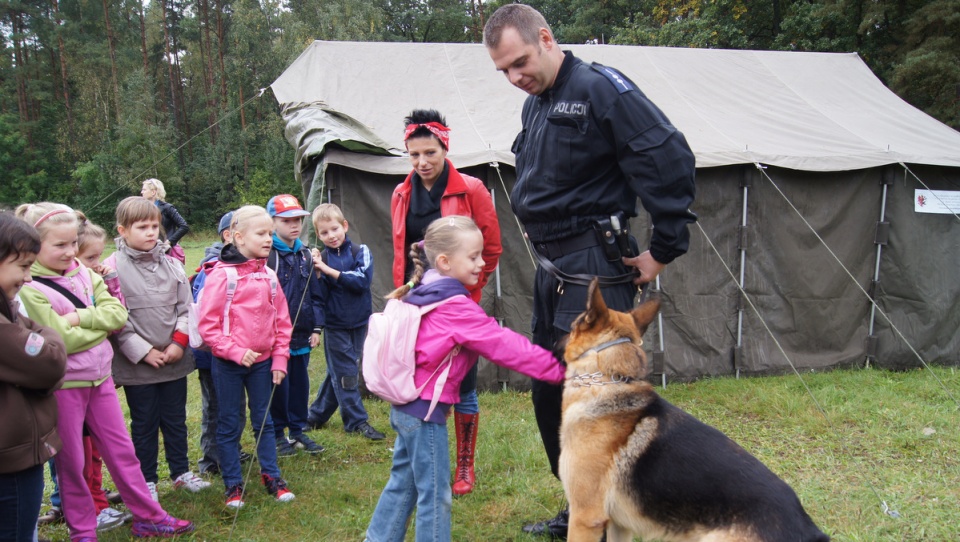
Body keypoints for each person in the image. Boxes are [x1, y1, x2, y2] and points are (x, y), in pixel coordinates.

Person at [483, 5, 698, 538]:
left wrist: (663, 250)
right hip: (553, 268)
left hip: (594, 268)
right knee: (548, 387)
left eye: (521, 62)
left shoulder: (602, 88)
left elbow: (668, 158)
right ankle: (581, 504)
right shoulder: (539, 103)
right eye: (504, 71)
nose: (515, 78)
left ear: (547, 38)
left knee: (600, 399)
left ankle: (615, 510)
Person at [364, 216, 565, 542]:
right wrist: (559, 370)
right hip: (424, 414)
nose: (481, 263)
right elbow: (504, 346)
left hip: (405, 408)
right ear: (444, 261)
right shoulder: (455, 307)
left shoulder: (424, 288)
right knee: (434, 492)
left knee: (405, 481)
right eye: (472, 257)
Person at [16, 202, 194, 539]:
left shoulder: (84, 273)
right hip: (65, 386)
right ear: (33, 246)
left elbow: (118, 314)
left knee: (122, 451)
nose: (71, 252)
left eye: (73, 243)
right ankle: (83, 531)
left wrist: (80, 318)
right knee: (72, 463)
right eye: (61, 245)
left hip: (102, 379)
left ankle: (148, 516)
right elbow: (59, 341)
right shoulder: (30, 288)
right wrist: (96, 326)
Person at [391, 109, 502, 494]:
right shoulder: (401, 193)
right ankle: (422, 457)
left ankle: (465, 464)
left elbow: (491, 248)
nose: (422, 162)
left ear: (445, 148)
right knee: (421, 381)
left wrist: (468, 294)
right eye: (414, 154)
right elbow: (401, 251)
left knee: (463, 385)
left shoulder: (471, 189)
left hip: (457, 305)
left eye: (430, 153)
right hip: (417, 302)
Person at [103, 197, 209, 502]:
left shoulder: (172, 263)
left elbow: (185, 308)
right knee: (145, 422)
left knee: (175, 418)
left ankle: (180, 472)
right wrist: (143, 351)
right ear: (123, 230)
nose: (151, 232)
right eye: (142, 227)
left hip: (174, 359)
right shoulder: (112, 268)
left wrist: (178, 343)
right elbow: (117, 317)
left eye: (154, 226)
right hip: (139, 365)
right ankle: (146, 479)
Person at [197, 205, 295, 508]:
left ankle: (271, 475)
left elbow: (282, 321)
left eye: (270, 232)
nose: (269, 238)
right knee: (229, 422)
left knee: (263, 421)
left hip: (263, 364)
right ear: (238, 237)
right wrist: (235, 352)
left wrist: (279, 359)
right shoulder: (221, 276)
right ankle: (233, 484)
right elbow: (207, 326)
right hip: (228, 364)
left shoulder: (268, 275)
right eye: (261, 233)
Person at [0, 212, 67, 542]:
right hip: (10, 464)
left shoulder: (7, 308)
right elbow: (50, 362)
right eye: (23, 266)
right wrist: (47, 334)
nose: (28, 278)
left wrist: (33, 332)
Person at [305, 203, 385, 441]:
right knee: (347, 374)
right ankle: (356, 422)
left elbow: (361, 280)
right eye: (324, 233)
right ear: (318, 235)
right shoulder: (321, 258)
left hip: (360, 323)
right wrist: (318, 272)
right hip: (336, 325)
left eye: (334, 229)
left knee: (338, 372)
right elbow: (318, 294)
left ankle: (315, 416)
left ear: (344, 226)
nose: (331, 236)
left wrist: (328, 270)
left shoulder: (361, 251)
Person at [75, 215, 132, 531]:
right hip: (74, 379)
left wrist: (109, 283)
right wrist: (97, 322)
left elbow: (117, 318)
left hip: (100, 373)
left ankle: (96, 495)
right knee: (78, 450)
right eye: (90, 258)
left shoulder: (97, 279)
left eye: (99, 255)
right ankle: (87, 504)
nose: (98, 263)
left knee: (96, 446)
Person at [190, 210, 254, 474]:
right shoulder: (214, 270)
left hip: (236, 352)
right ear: (230, 236)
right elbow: (208, 318)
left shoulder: (245, 266)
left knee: (235, 406)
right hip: (214, 354)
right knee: (217, 407)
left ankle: (230, 449)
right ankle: (212, 459)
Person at [265, 194, 326, 456]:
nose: (294, 225)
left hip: (303, 334)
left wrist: (316, 328)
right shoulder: (268, 255)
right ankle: (278, 433)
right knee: (279, 386)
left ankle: (298, 430)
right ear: (272, 222)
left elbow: (316, 294)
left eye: (299, 219)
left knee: (300, 385)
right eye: (286, 220)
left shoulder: (304, 254)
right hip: (276, 337)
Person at [140, 178, 189, 264]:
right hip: (149, 251)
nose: (141, 192)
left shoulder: (167, 208)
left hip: (166, 253)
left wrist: (170, 241)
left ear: (153, 192)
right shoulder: (143, 209)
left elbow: (184, 226)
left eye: (144, 189)